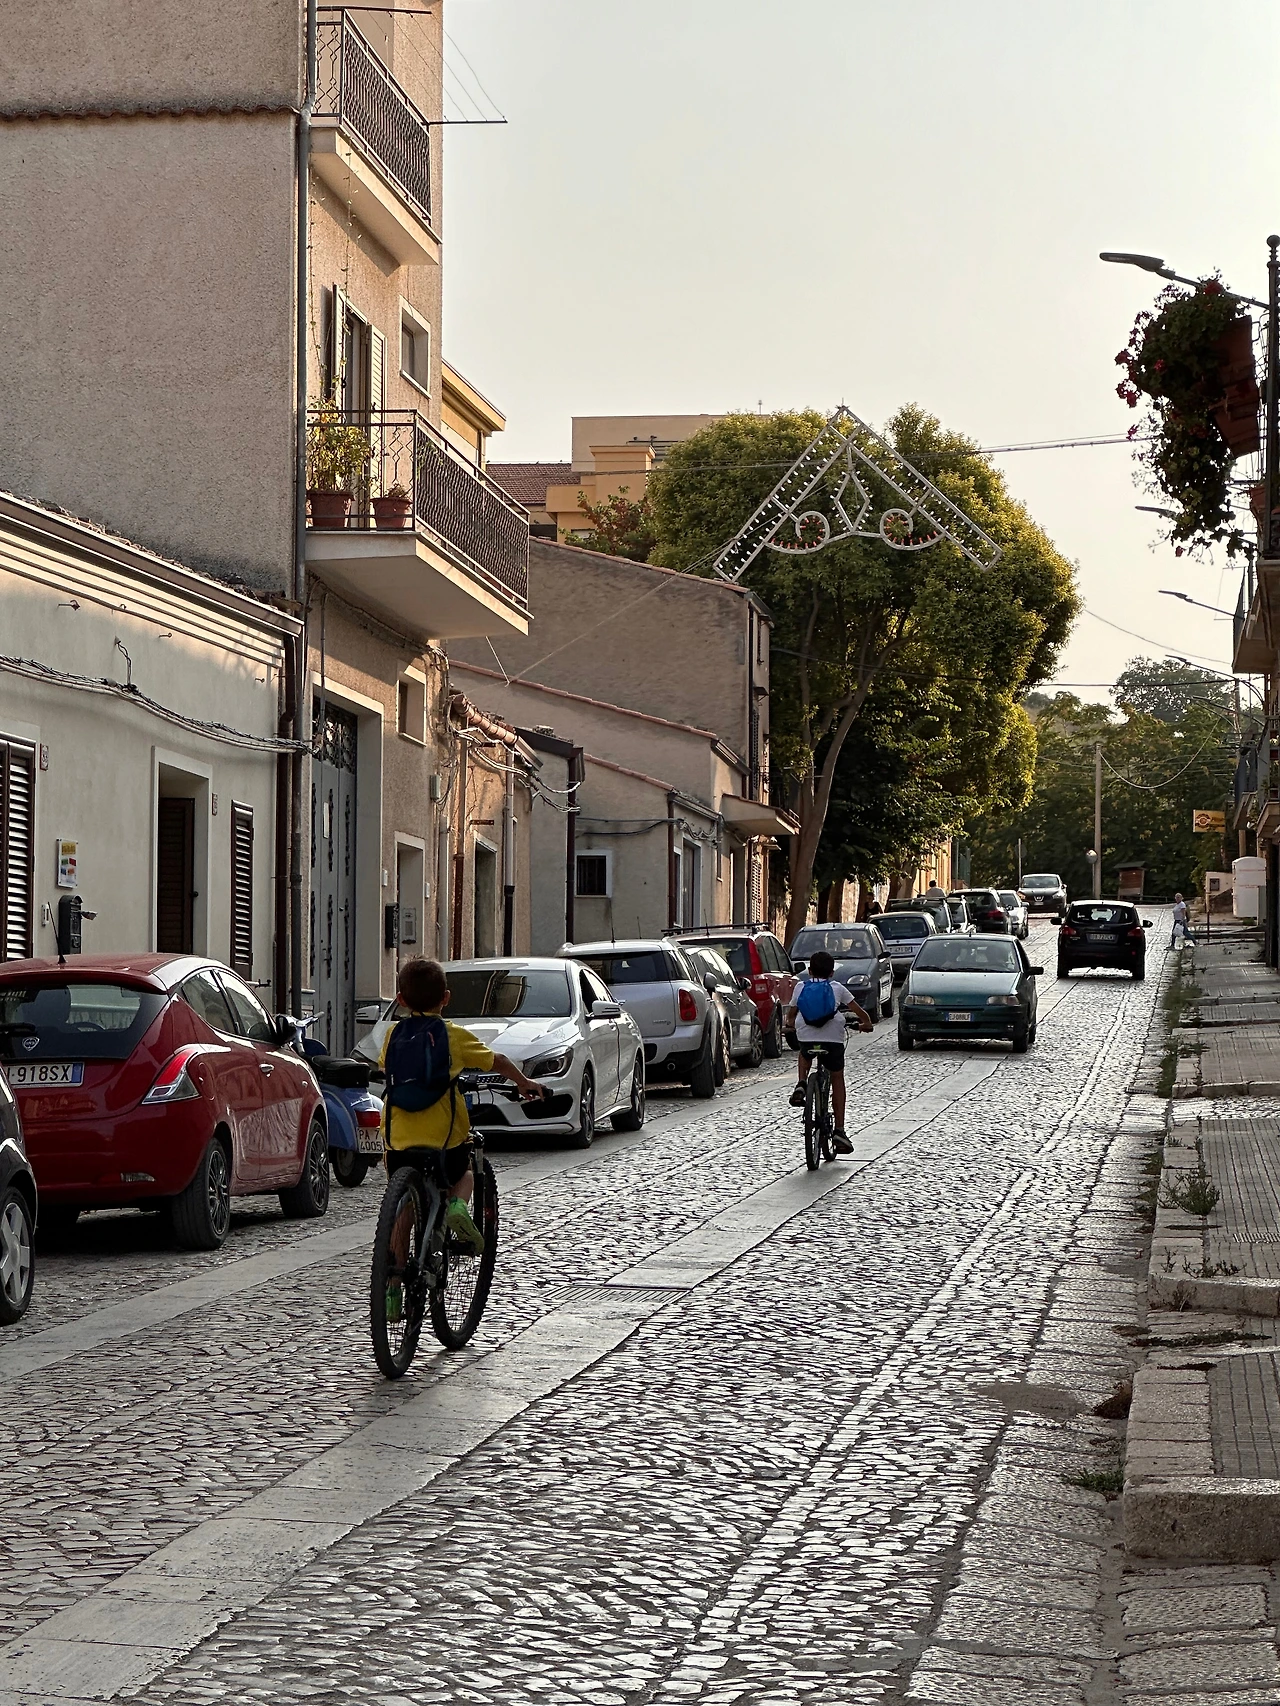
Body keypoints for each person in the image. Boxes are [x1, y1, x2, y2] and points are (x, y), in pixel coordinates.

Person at [380, 958, 545, 1315]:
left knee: (403, 1209)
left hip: (397, 1139)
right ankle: (457, 1206)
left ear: (401, 1000)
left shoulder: (392, 1035)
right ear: (446, 998)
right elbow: (497, 1061)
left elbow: (384, 1066)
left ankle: (391, 1292)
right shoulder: (453, 1036)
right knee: (464, 1171)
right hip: (443, 1140)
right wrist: (524, 1082)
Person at [784, 948, 873, 1154]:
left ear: (809, 971)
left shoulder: (800, 987)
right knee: (837, 1077)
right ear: (832, 972)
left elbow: (791, 1015)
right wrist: (865, 1024)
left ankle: (802, 1083)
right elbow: (861, 1013)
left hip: (807, 1038)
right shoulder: (838, 988)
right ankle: (839, 1131)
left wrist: (790, 1024)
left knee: (805, 1052)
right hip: (832, 1040)